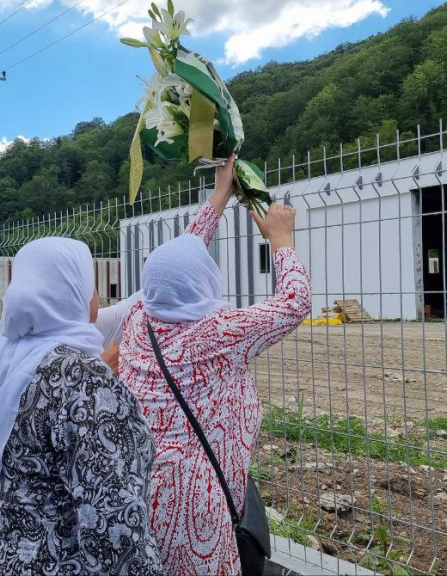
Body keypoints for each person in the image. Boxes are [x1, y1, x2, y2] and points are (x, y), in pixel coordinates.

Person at [115, 155, 312, 575]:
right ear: (204, 281)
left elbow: (177, 261)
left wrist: (219, 196)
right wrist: (280, 240)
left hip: (140, 487)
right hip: (197, 501)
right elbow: (295, 303)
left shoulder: (139, 320)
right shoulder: (214, 334)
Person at [0, 237, 162, 576]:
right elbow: (114, 524)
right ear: (74, 291)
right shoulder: (83, 380)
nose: (97, 297)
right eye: (92, 286)